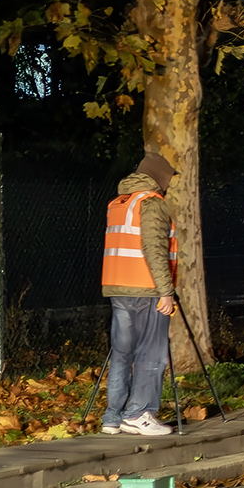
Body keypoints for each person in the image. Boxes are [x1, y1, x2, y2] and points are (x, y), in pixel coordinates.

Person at [99, 151, 181, 437]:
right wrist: (166, 292)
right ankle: (139, 414)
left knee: (122, 353)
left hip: (118, 287)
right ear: (159, 178)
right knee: (151, 354)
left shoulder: (119, 203)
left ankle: (112, 417)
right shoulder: (152, 203)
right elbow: (154, 249)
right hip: (147, 290)